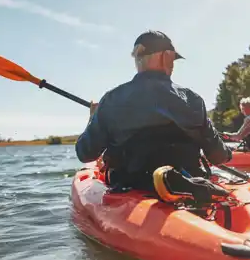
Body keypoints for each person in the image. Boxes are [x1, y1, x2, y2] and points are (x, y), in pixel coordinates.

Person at [75, 30, 232, 202]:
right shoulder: (193, 100)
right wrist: (228, 153)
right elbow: (218, 156)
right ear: (166, 56)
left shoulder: (112, 99)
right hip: (190, 184)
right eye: (173, 59)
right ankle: (173, 180)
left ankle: (163, 179)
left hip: (132, 186)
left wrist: (93, 118)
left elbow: (85, 153)